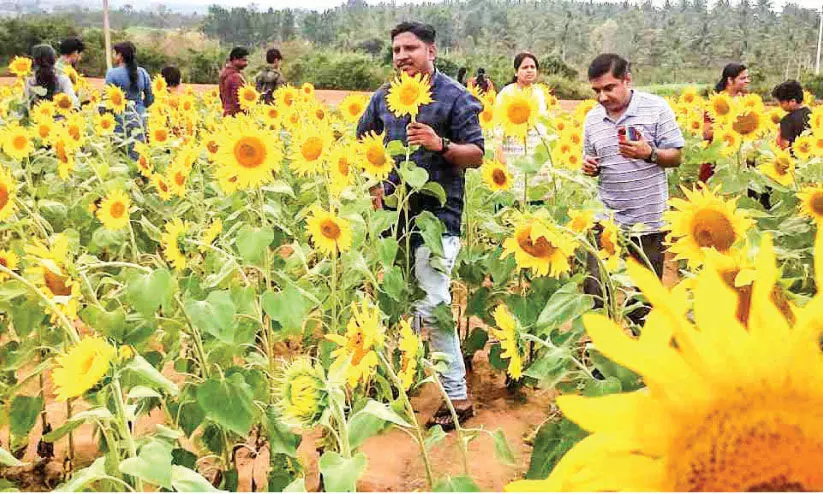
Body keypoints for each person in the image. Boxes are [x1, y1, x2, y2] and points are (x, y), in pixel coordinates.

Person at [356, 21, 484, 431]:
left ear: (431, 50)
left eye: (409, 48)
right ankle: (407, 378)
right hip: (395, 220)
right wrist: (376, 188)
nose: (401, 56)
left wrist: (440, 145)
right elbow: (363, 140)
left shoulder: (454, 97)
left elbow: (477, 155)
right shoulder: (384, 97)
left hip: (436, 219)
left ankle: (458, 397)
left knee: (433, 304)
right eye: (395, 50)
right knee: (403, 303)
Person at [581, 53, 685, 325]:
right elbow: (592, 160)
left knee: (644, 300)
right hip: (606, 221)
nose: (602, 97)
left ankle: (641, 357)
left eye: (609, 88)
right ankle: (601, 361)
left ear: (628, 80)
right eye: (596, 91)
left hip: (648, 222)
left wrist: (649, 153)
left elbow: (676, 156)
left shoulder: (656, 108)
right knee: (595, 291)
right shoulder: (592, 119)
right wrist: (591, 167)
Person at [494, 52, 549, 199]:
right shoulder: (507, 94)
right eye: (525, 67)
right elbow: (498, 127)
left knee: (536, 197)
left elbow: (544, 123)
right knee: (514, 197)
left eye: (532, 67)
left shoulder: (539, 94)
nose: (530, 70)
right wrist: (500, 156)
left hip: (535, 152)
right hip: (513, 152)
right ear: (516, 72)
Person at [699, 63, 749, 182]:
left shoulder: (746, 100)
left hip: (740, 158)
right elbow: (706, 133)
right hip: (718, 158)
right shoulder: (717, 104)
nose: (747, 81)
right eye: (742, 78)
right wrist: (729, 129)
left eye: (747, 77)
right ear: (730, 80)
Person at [105, 41, 154, 141]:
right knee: (138, 151)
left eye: (115, 53)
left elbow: (107, 99)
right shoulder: (142, 72)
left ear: (120, 56)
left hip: (120, 120)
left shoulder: (112, 74)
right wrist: (141, 107)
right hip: (139, 118)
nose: (113, 56)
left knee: (122, 153)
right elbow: (150, 97)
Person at [23, 44, 78, 109]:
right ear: (53, 60)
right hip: (62, 117)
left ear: (35, 61)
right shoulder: (63, 79)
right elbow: (75, 104)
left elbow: (26, 106)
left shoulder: (29, 81)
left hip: (36, 117)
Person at [772, 80, 811, 149]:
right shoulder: (811, 113)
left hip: (794, 157)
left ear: (793, 101)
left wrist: (779, 132)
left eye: (782, 103)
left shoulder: (787, 120)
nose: (780, 106)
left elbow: (783, 145)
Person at [219, 47, 249, 116]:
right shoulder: (235, 77)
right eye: (244, 60)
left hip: (226, 114)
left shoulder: (223, 74)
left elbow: (221, 96)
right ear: (235, 59)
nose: (246, 63)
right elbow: (238, 101)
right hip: (236, 117)